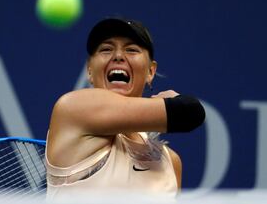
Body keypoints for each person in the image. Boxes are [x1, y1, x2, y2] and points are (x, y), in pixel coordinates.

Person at [45, 17, 205, 201]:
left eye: (131, 49)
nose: (118, 56)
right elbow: (188, 112)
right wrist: (173, 100)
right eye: (106, 49)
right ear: (89, 69)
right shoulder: (73, 108)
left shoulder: (170, 162)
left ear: (151, 71)